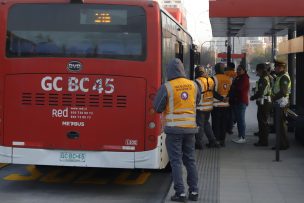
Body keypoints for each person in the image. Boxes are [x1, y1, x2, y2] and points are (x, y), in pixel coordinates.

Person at [153, 58, 200, 202]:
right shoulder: (193, 85)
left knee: (176, 161)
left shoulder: (167, 87)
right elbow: (197, 101)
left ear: (169, 71)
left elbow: (157, 107)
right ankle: (194, 192)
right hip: (190, 129)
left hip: (174, 130)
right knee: (190, 160)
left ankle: (180, 193)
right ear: (182, 70)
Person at [194, 66, 219, 149]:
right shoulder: (210, 80)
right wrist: (222, 98)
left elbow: (196, 95)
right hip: (209, 106)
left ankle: (198, 143)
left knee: (200, 125)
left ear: (196, 72)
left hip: (201, 107)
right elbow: (214, 92)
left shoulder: (197, 81)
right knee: (206, 123)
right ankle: (213, 141)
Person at [271, 60, 291, 150]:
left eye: (276, 67)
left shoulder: (284, 77)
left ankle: (283, 144)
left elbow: (283, 91)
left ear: (281, 67)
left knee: (280, 125)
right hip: (279, 103)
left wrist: (273, 98)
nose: (274, 68)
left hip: (282, 103)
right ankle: (283, 143)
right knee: (279, 125)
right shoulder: (280, 77)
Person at [250, 63, 272, 146]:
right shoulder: (267, 77)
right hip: (265, 102)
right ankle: (263, 140)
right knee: (263, 122)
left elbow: (260, 92)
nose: (257, 72)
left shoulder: (263, 79)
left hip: (264, 103)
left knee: (262, 122)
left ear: (260, 70)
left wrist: (253, 97)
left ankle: (263, 141)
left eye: (257, 70)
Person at [211, 63, 232, 147]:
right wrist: (227, 98)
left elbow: (212, 91)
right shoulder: (229, 79)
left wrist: (221, 98)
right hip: (226, 105)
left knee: (216, 124)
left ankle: (216, 140)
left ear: (216, 69)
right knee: (223, 124)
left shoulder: (213, 78)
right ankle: (223, 141)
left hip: (216, 106)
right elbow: (231, 90)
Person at [229, 64, 250, 143]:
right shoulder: (238, 77)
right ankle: (240, 136)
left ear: (244, 70)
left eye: (239, 70)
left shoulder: (244, 78)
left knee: (241, 120)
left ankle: (242, 137)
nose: (237, 71)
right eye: (237, 69)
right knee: (238, 119)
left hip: (241, 101)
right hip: (237, 101)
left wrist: (233, 86)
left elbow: (239, 88)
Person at [225, 62, 237, 134]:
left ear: (229, 67)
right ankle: (230, 127)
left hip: (226, 93)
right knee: (232, 112)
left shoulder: (225, 73)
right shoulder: (236, 74)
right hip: (233, 95)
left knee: (227, 112)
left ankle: (227, 127)